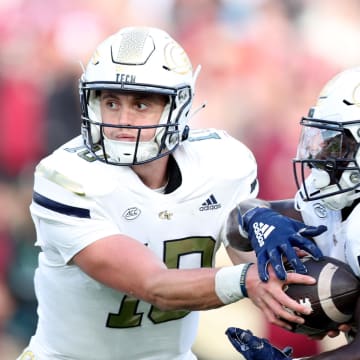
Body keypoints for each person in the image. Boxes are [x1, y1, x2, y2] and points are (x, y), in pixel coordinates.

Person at [16, 26, 326, 360]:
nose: (122, 120)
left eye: (141, 104)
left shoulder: (222, 162)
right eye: (110, 102)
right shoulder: (65, 176)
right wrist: (245, 280)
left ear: (176, 107)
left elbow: (264, 276)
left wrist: (324, 300)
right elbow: (154, 285)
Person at [226, 66, 360, 359]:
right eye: (324, 140)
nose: (322, 156)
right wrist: (259, 219)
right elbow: (236, 221)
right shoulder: (333, 203)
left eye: (338, 145)